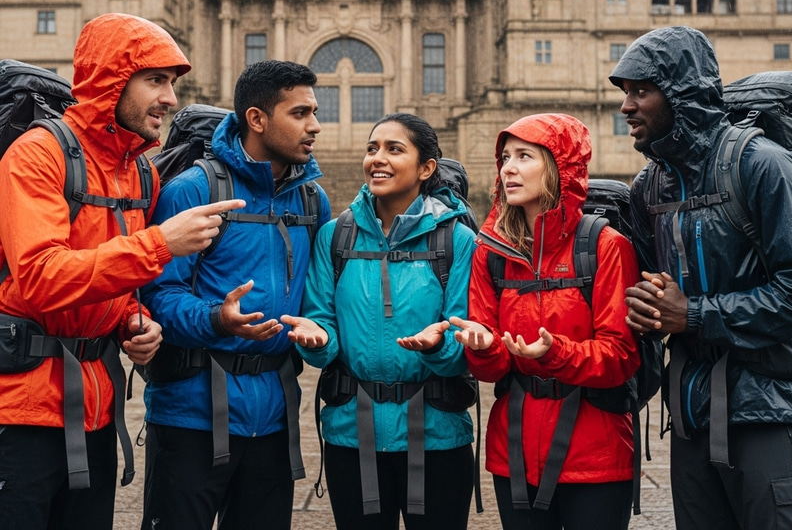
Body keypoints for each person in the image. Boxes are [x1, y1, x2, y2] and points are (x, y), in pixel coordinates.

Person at [0, 12, 242, 530]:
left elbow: (109, 274)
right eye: (155, 80)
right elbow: (40, 278)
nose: (171, 99)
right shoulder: (38, 154)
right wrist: (159, 242)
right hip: (18, 414)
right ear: (112, 78)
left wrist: (134, 322)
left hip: (94, 410)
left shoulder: (139, 170)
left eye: (173, 84)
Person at [610, 25, 792, 530]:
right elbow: (660, 294)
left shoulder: (763, 166)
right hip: (692, 417)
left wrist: (692, 314)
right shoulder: (649, 186)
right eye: (624, 91)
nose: (626, 106)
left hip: (772, 413)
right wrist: (648, 310)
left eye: (641, 90)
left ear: (682, 94)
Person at [140, 59, 330, 530]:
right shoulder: (194, 190)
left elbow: (323, 298)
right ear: (257, 119)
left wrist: (320, 327)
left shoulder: (313, 201)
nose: (316, 126)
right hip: (190, 417)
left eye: (315, 112)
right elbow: (158, 294)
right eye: (301, 113)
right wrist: (216, 319)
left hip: (274, 420)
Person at [282, 113, 476, 530]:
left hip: (439, 433)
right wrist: (316, 340)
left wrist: (439, 344)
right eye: (372, 148)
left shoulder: (457, 240)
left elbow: (463, 340)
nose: (378, 159)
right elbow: (322, 324)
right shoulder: (334, 237)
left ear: (426, 168)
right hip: (350, 433)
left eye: (394, 149)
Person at [451, 113, 641, 530]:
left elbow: (622, 356)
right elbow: (492, 368)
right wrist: (482, 347)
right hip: (514, 450)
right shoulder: (491, 251)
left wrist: (555, 351)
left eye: (524, 156)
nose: (509, 169)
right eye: (504, 158)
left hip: (596, 453)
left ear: (560, 168)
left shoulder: (605, 246)